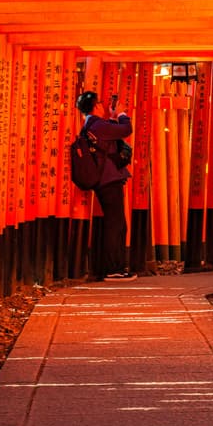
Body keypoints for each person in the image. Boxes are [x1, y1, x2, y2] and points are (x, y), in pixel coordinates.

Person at [77, 90, 136, 282]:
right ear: (95, 106)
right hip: (108, 180)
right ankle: (113, 269)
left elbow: (111, 133)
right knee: (115, 225)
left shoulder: (91, 125)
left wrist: (112, 117)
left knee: (117, 224)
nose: (103, 105)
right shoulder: (97, 125)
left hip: (104, 180)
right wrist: (121, 113)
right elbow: (126, 129)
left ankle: (116, 267)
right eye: (100, 103)